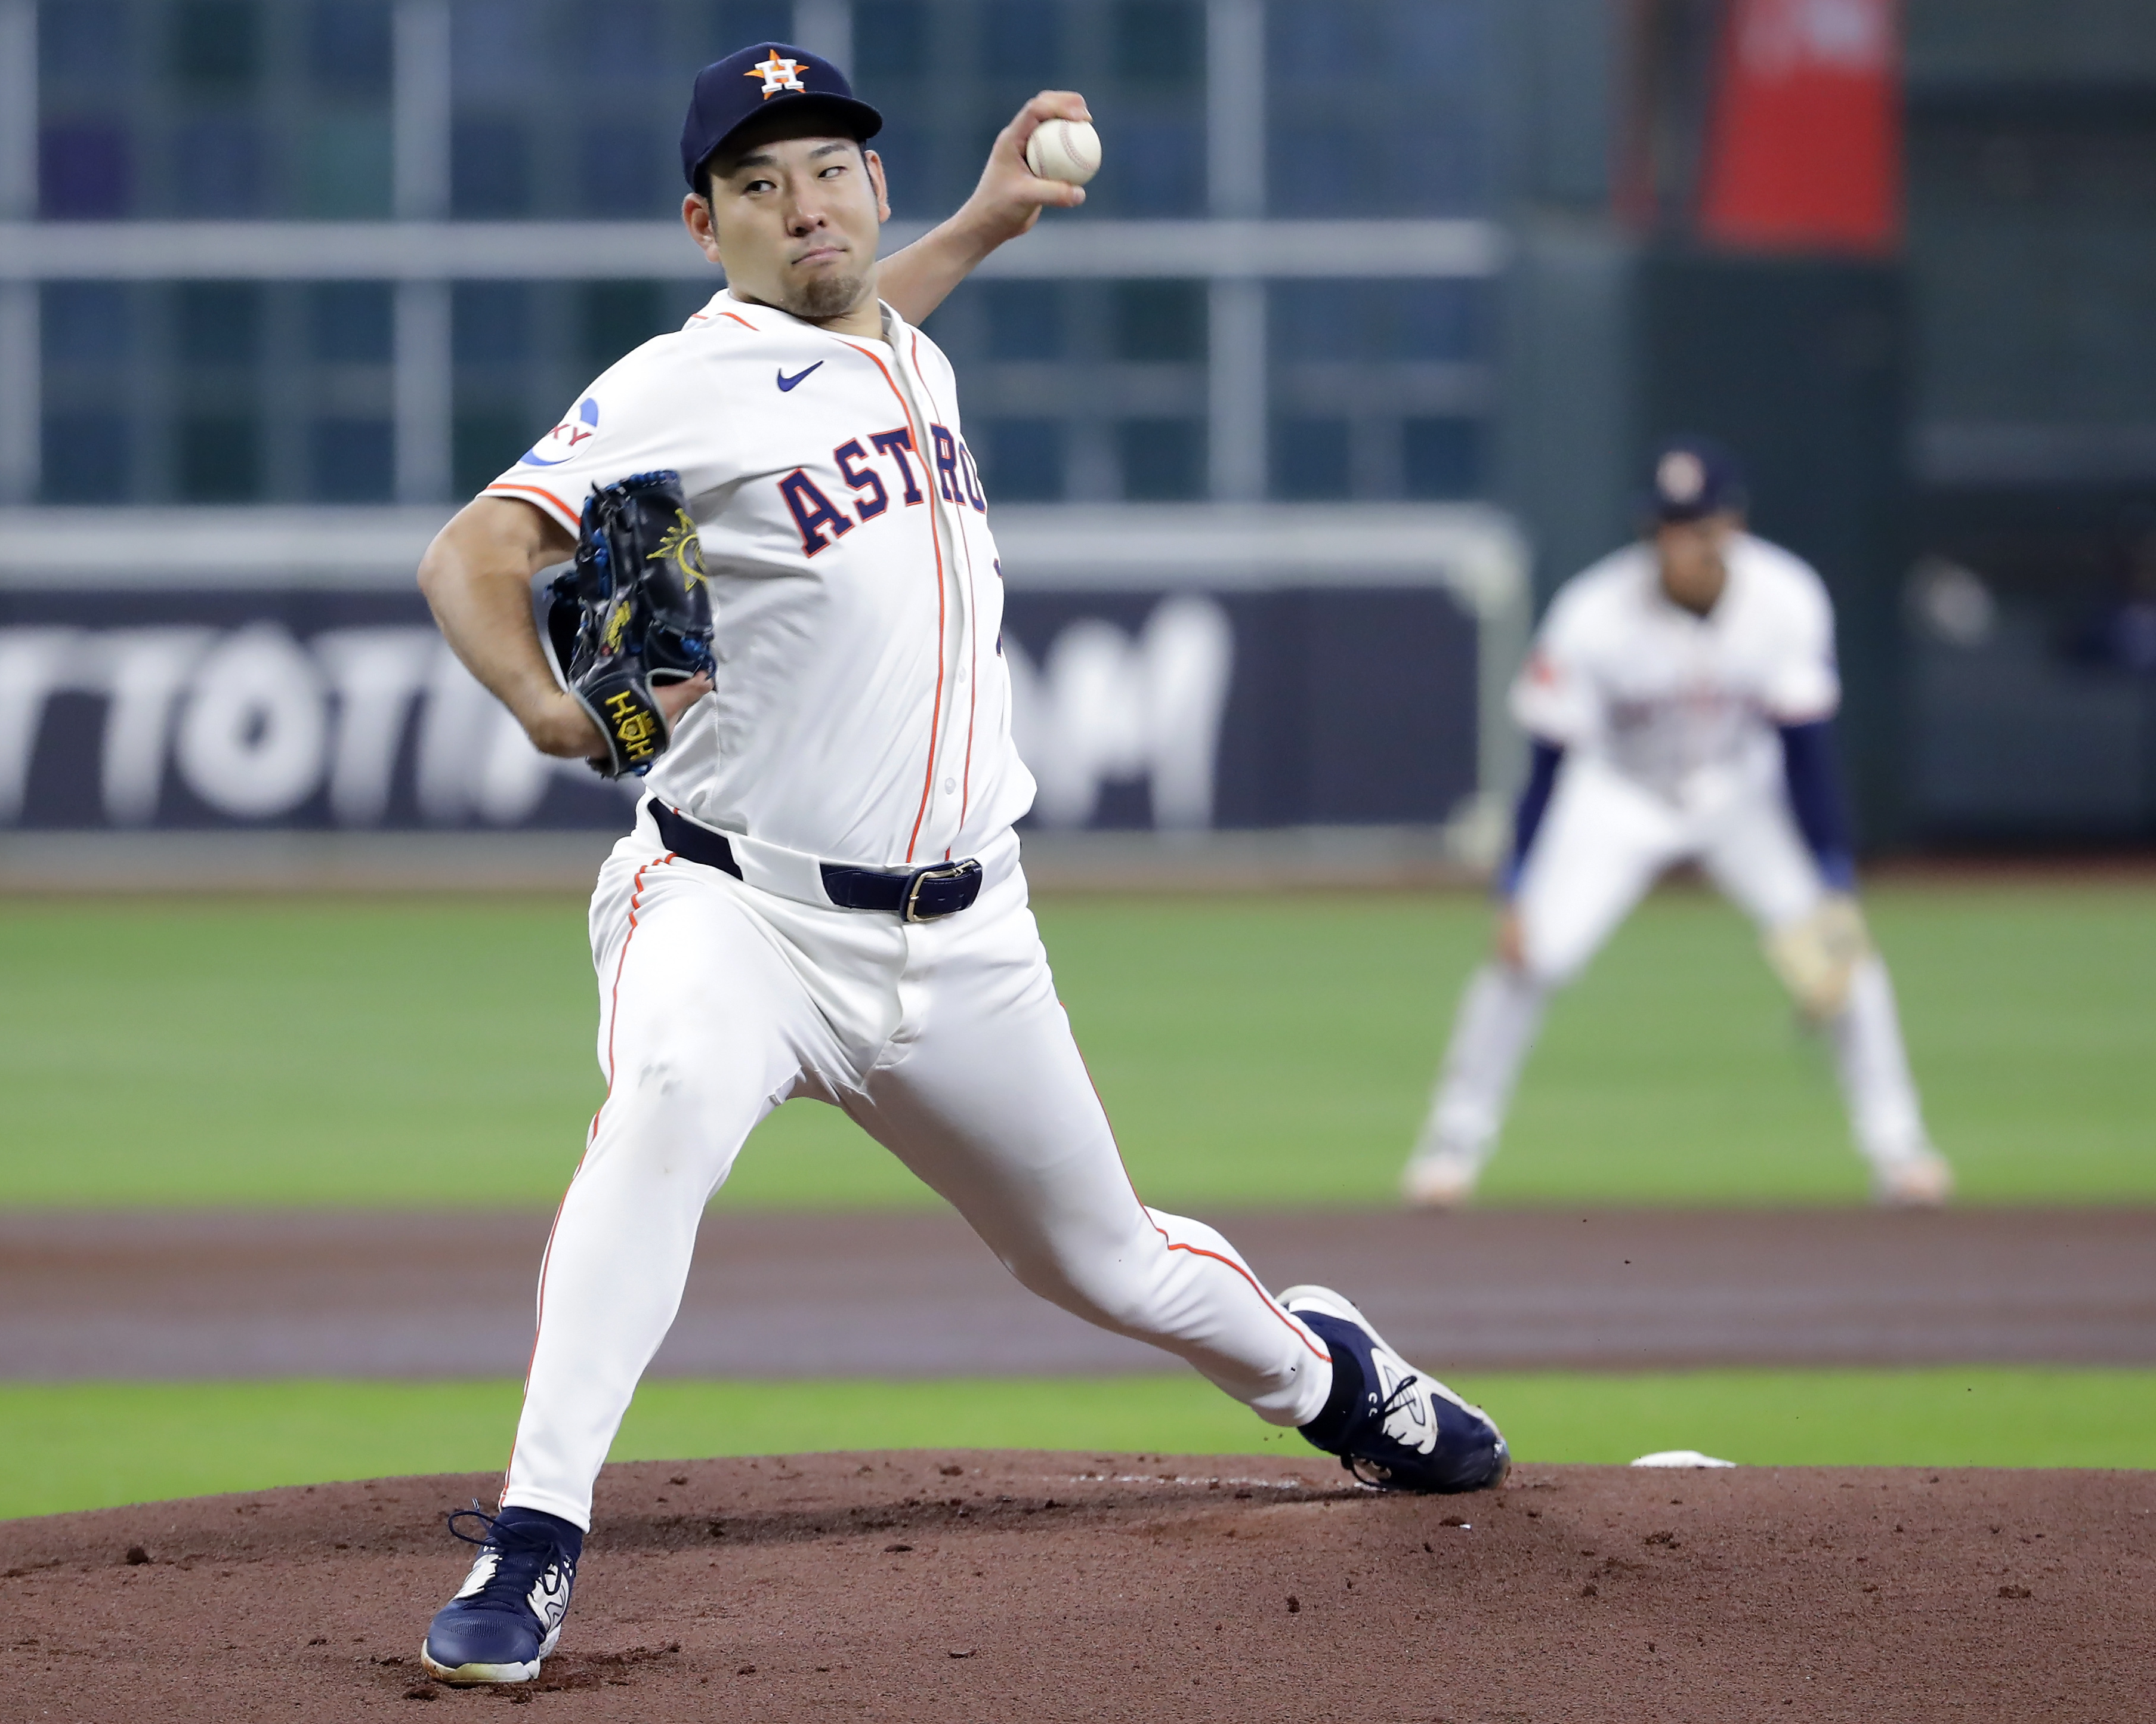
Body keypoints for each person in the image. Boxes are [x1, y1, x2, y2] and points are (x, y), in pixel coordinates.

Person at [409, 42, 1508, 1686]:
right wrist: (548, 708)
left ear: (874, 185)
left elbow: (863, 326)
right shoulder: (675, 381)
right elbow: (473, 549)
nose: (808, 206)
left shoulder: (897, 347)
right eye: (763, 186)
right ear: (705, 223)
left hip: (967, 931)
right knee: (662, 1114)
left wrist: (989, 223)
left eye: (832, 169)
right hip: (735, 903)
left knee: (1107, 1261)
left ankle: (1336, 1382)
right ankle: (536, 1538)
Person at [1401, 437, 1954, 1211]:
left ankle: (1901, 1150)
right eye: (1666, 524)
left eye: (1696, 523)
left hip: (1741, 792)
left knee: (1845, 962)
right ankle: (1451, 1146)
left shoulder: (1787, 596)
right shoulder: (1592, 612)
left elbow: (1806, 754)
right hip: (1620, 794)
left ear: (1732, 524)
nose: (1680, 540)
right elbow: (1550, 761)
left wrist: (1832, 882)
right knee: (1527, 959)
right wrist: (1519, 885)